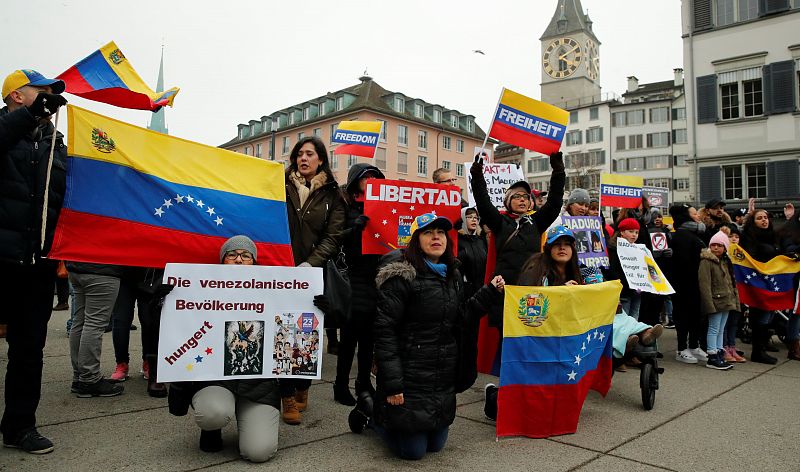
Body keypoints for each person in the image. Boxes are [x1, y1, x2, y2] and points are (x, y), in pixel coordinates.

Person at [483, 226, 662, 414]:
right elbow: (528, 300)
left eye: (567, 245)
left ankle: (634, 335)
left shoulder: (578, 269)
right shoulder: (536, 267)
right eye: (557, 245)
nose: (562, 248)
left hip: (571, 329)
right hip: (543, 333)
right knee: (524, 401)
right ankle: (494, 396)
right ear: (549, 248)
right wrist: (561, 289)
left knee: (612, 313)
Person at [358, 213, 492, 460]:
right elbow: (385, 333)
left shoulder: (451, 273)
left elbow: (460, 318)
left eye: (440, 233)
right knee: (413, 452)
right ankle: (370, 412)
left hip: (440, 374)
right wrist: (393, 384)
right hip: (410, 376)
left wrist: (489, 293)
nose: (436, 237)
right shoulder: (401, 276)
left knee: (436, 446)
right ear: (416, 240)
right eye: (428, 233)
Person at [0, 69, 68, 454]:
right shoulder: (5, 128)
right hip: (2, 257)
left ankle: (20, 425)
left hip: (37, 262)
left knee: (29, 349)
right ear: (16, 96)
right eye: (40, 91)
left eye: (52, 94)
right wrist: (25, 119)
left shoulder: (55, 143)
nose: (49, 98)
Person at [168, 236, 280, 463]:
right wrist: (164, 304)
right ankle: (212, 428)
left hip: (258, 385)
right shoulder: (199, 293)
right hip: (215, 381)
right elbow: (173, 335)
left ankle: (248, 418)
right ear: (222, 261)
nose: (239, 260)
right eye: (232, 255)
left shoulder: (276, 293)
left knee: (258, 452)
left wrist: (313, 304)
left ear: (254, 263)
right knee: (213, 413)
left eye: (246, 256)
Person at [283, 136, 345, 424]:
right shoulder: (279, 185)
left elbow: (333, 237)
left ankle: (302, 386)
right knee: (280, 331)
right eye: (299, 154)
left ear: (321, 159)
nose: (303, 158)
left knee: (305, 333)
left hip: (312, 274)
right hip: (280, 271)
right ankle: (286, 396)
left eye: (310, 154)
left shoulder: (333, 194)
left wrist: (310, 263)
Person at [469, 151, 565, 328]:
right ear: (507, 201)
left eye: (526, 197)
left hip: (532, 292)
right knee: (506, 342)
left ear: (530, 203)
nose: (522, 200)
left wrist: (558, 171)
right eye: (517, 196)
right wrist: (477, 176)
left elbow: (554, 202)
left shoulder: (537, 222)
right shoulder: (499, 222)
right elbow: (483, 202)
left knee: (530, 340)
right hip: (505, 293)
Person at [334, 163, 385, 406]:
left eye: (376, 176)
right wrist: (355, 228)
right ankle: (340, 385)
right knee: (349, 338)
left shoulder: (384, 206)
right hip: (353, 278)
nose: (372, 179)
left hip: (377, 278)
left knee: (369, 339)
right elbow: (334, 238)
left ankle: (364, 383)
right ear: (357, 180)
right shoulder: (345, 205)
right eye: (367, 176)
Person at [66, 262, 125, 397]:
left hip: (77, 266)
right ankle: (89, 379)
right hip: (102, 269)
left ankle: (79, 377)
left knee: (79, 322)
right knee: (94, 324)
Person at [739, 208, 782, 364]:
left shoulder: (773, 236)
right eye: (759, 218)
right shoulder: (748, 237)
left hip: (771, 282)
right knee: (760, 316)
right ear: (752, 221)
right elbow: (751, 259)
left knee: (770, 315)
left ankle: (763, 346)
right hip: (757, 283)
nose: (764, 220)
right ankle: (758, 351)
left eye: (766, 217)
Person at [669, 204, 709, 364]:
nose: (697, 216)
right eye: (693, 214)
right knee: (683, 316)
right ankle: (681, 348)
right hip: (684, 283)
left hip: (697, 282)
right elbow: (683, 262)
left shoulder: (697, 233)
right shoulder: (681, 235)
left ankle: (693, 345)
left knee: (696, 316)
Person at [698, 231, 738, 370]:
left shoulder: (725, 262)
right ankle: (712, 355)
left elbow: (731, 283)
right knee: (714, 328)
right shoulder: (706, 261)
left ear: (725, 247)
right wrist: (709, 304)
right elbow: (705, 284)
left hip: (726, 301)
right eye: (713, 245)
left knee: (721, 329)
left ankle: (720, 351)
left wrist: (734, 300)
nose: (715, 248)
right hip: (715, 301)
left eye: (719, 245)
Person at [605, 218, 643, 320]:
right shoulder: (614, 249)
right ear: (622, 232)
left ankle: (634, 335)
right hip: (624, 291)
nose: (634, 235)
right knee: (624, 319)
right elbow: (613, 271)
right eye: (631, 231)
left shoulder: (638, 249)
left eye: (636, 232)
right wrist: (625, 284)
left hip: (637, 291)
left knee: (634, 317)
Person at [721, 226, 746, 363]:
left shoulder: (742, 255)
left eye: (736, 236)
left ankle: (732, 347)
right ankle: (724, 347)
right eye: (731, 236)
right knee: (725, 322)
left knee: (734, 322)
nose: (734, 239)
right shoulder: (723, 255)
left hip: (737, 293)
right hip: (726, 293)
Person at [778, 207, 800, 361]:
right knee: (796, 313)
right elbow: (790, 251)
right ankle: (794, 346)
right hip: (795, 278)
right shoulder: (788, 232)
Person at [457, 207, 487, 300]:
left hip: (482, 290)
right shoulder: (457, 241)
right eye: (469, 217)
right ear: (462, 219)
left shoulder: (481, 241)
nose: (474, 220)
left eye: (476, 218)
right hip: (465, 293)